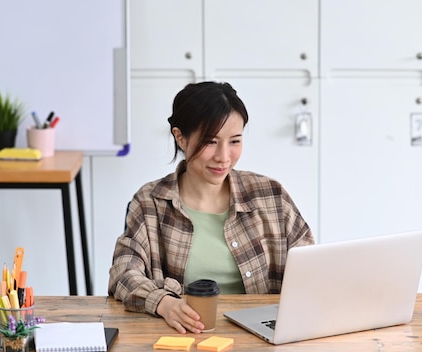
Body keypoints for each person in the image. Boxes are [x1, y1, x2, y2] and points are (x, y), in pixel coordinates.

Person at [108, 81, 314, 334]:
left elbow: (310, 266)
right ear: (180, 137)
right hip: (183, 336)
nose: (223, 157)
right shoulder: (151, 201)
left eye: (235, 141)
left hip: (262, 337)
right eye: (211, 142)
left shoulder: (270, 195)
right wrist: (162, 302)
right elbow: (123, 272)